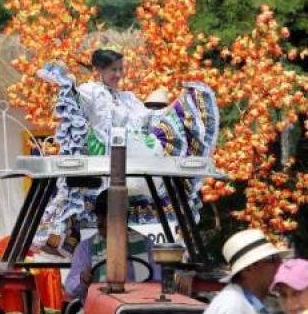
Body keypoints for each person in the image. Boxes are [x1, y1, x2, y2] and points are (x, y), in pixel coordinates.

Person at [35, 47, 219, 252]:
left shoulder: (127, 98)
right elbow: (76, 103)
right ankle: (67, 239)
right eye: (113, 69)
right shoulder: (91, 91)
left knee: (147, 189)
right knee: (77, 197)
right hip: (102, 157)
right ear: (99, 69)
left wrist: (174, 109)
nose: (118, 74)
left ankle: (136, 239)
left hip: (126, 157)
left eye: (120, 69)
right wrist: (66, 81)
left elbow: (147, 117)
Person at [64, 191, 161, 302]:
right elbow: (70, 290)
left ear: (122, 218)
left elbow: (158, 282)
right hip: (98, 312)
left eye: (106, 216)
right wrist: (81, 279)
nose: (99, 221)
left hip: (138, 309)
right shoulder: (85, 247)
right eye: (98, 216)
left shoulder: (146, 244)